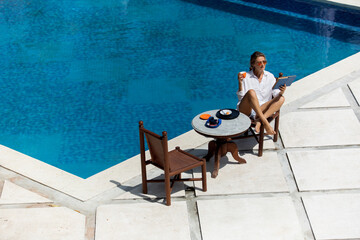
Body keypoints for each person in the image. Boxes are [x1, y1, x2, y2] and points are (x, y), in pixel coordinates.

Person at [237, 51, 286, 135]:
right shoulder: (246, 76)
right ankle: (266, 124)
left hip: (262, 109)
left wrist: (281, 91)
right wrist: (240, 83)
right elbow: (241, 98)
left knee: (281, 98)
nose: (263, 64)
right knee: (251, 92)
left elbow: (275, 94)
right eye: (259, 63)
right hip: (247, 110)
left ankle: (259, 121)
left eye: (264, 62)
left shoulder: (270, 76)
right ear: (253, 64)